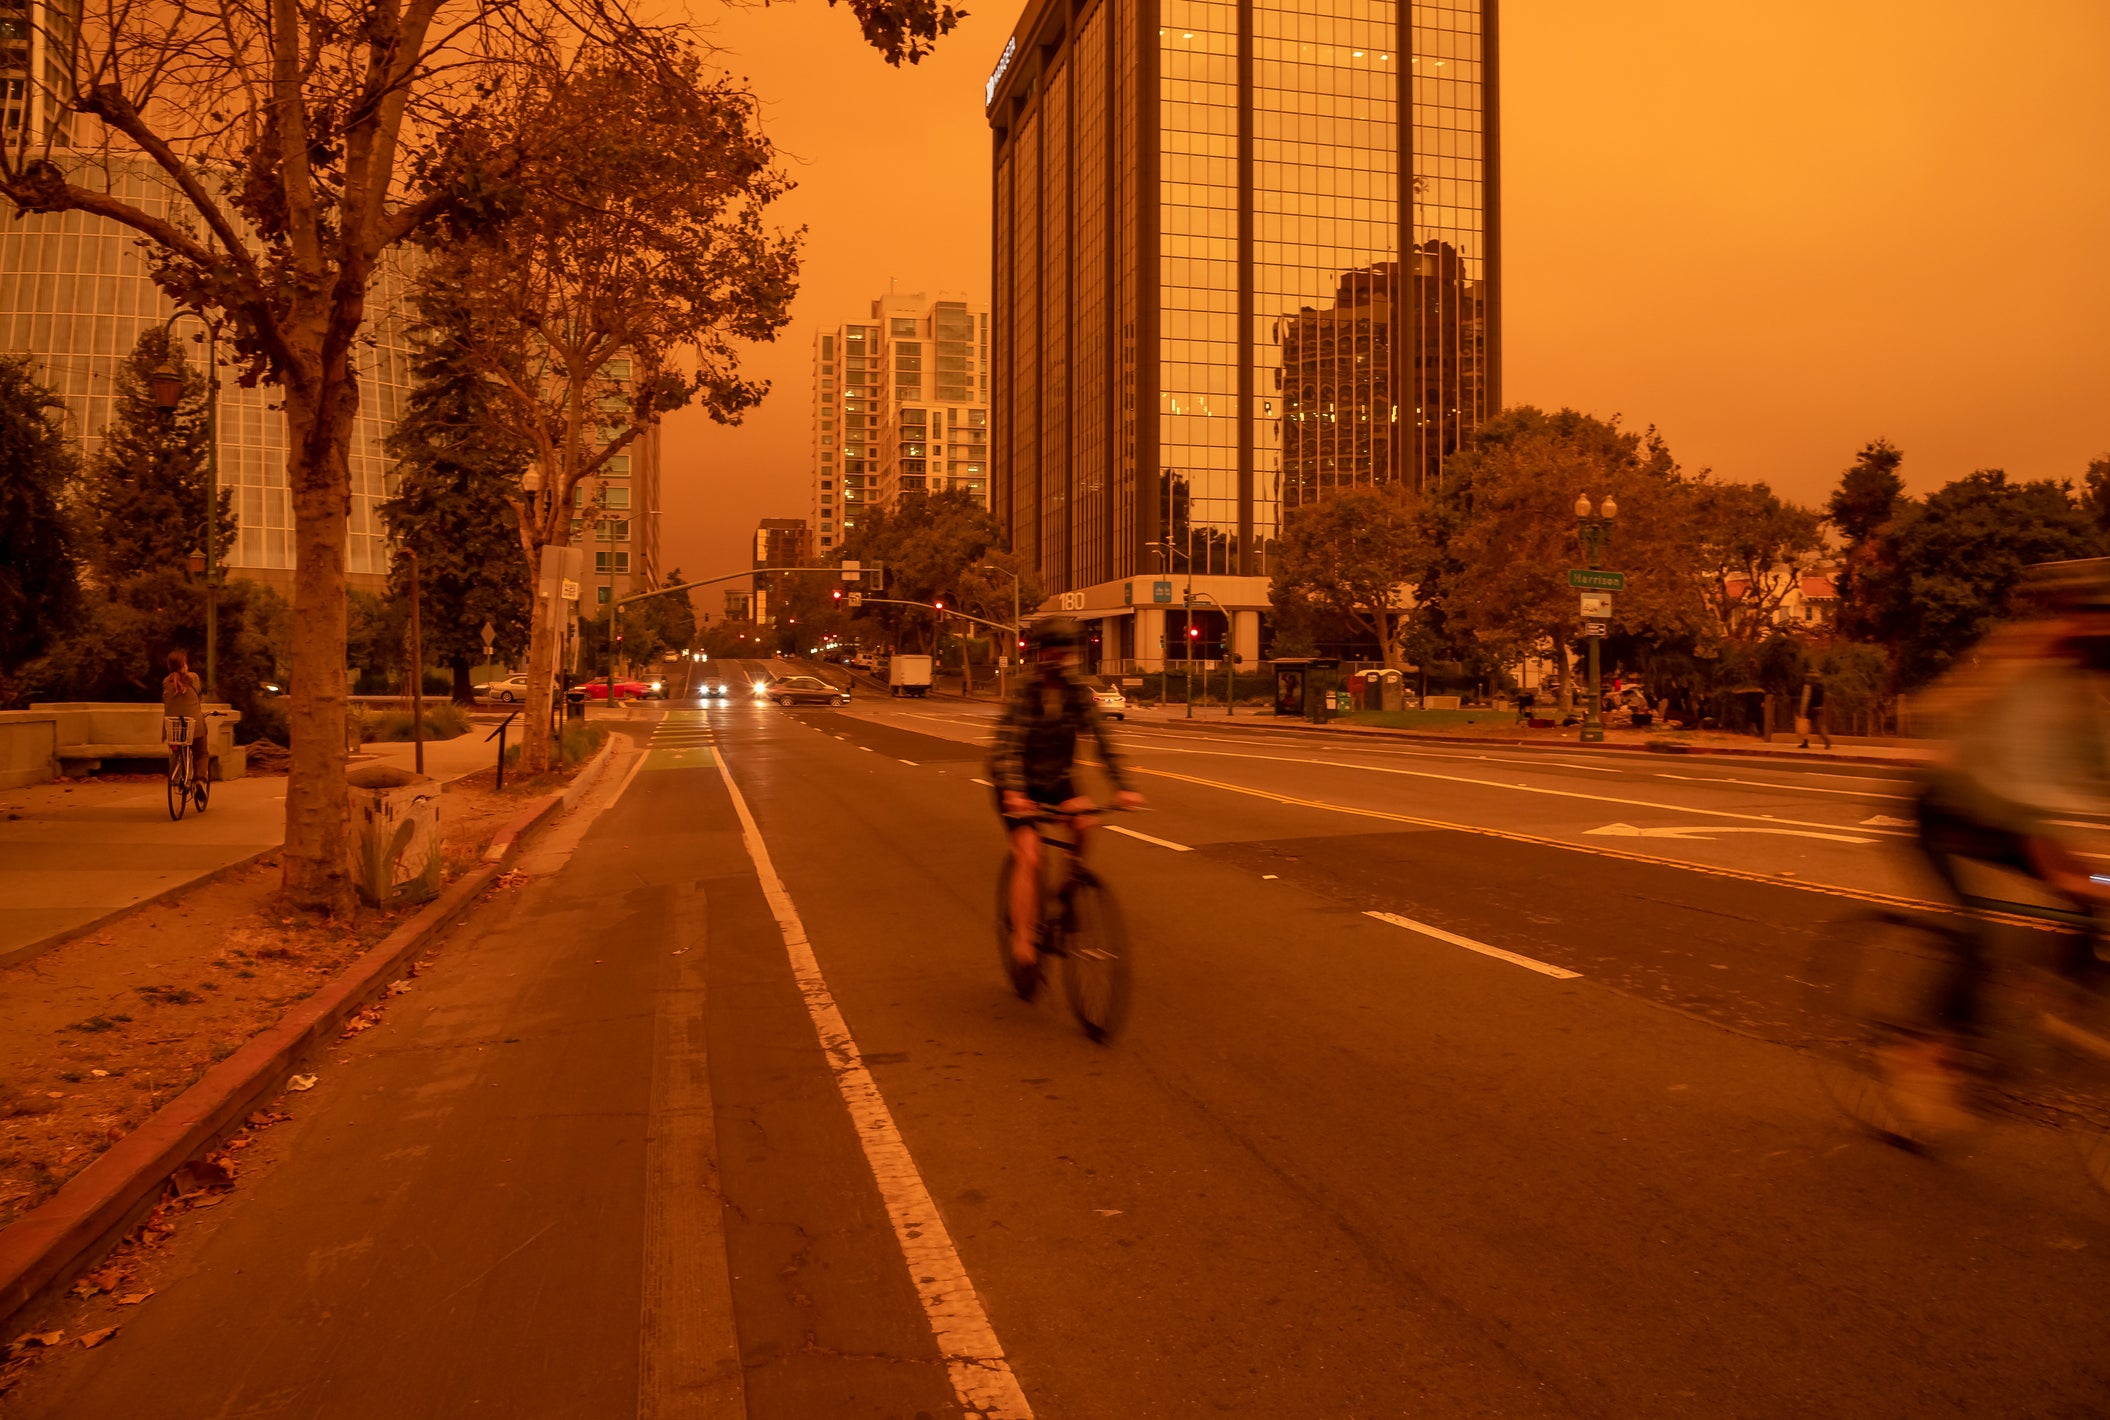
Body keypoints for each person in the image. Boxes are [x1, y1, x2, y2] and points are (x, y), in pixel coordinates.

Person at [1893, 560, 2110, 1130]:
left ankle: (2056, 1002)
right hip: (1951, 812)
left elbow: (2099, 773)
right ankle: (1920, 1056)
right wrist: (2063, 868)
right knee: (1979, 938)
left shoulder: (2086, 689)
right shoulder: (2027, 676)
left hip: (2016, 820)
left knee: (2097, 897)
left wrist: (2092, 878)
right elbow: (2023, 785)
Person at [990, 618, 1144, 994]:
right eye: (1053, 651)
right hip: (1016, 780)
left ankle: (1068, 888)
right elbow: (1008, 749)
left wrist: (1124, 787)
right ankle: (1024, 946)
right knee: (1030, 856)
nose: (1059, 659)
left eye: (1065, 652)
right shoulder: (1025, 694)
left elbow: (1103, 742)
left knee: (1086, 820)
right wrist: (1014, 792)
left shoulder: (1077, 693)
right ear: (1040, 654)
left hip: (1056, 780)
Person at [162, 648, 205, 779]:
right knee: (201, 753)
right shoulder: (193, 678)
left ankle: (175, 776)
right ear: (184, 665)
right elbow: (199, 698)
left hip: (173, 728)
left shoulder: (165, 682)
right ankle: (200, 780)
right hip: (193, 726)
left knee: (176, 746)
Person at [1797, 672, 1832, 749]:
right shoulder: (1821, 687)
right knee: (1819, 726)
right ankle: (1826, 739)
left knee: (1806, 727)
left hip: (1810, 708)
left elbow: (1806, 699)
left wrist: (1802, 711)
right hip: (1819, 708)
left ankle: (1806, 742)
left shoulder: (1808, 686)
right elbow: (1824, 698)